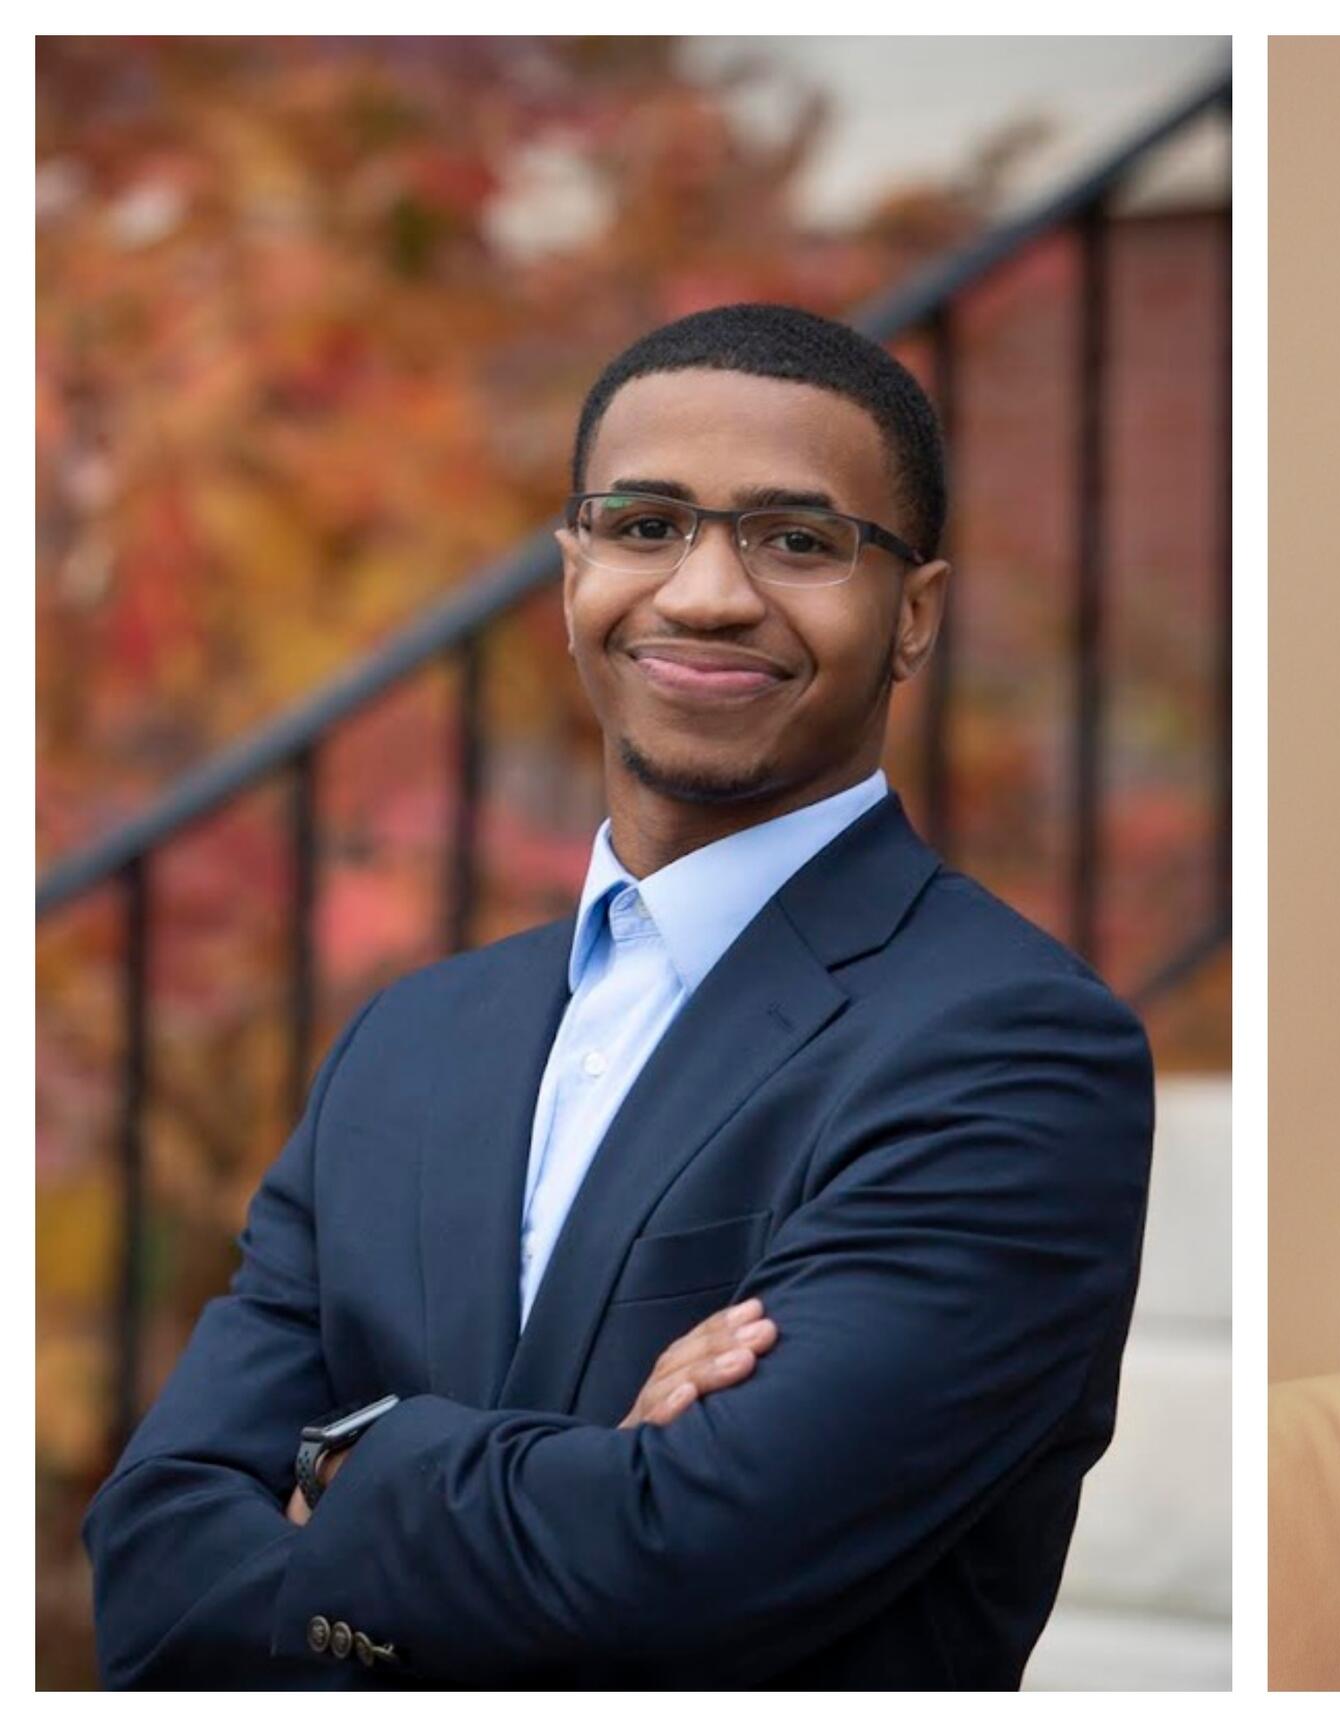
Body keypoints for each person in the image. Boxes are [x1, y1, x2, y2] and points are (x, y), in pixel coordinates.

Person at [81, 303, 1156, 1688]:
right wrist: (584, 1478)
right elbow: (156, 1569)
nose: (706, 593)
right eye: (645, 525)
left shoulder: (1007, 1049)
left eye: (799, 539)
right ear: (571, 569)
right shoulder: (408, 1046)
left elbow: (692, 1567)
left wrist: (343, 1465)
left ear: (916, 616)